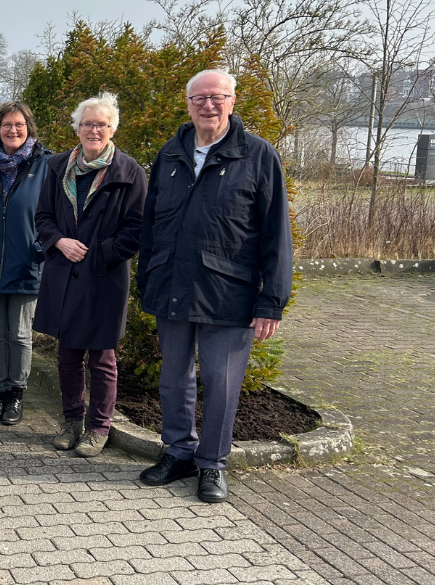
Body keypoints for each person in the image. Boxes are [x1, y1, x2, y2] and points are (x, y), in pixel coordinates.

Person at [137, 69, 292, 502]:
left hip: (230, 292)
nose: (208, 105)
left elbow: (276, 234)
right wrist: (146, 277)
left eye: (217, 97)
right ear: (188, 104)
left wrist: (271, 301)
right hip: (170, 285)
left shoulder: (259, 156)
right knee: (173, 378)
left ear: (232, 100)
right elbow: (152, 224)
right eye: (199, 98)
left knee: (221, 382)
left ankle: (212, 464)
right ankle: (179, 452)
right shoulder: (170, 154)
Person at [34, 92, 146, 457]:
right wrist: (60, 242)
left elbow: (137, 229)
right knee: (67, 355)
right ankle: (72, 422)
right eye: (87, 123)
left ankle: (99, 428)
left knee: (102, 358)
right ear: (77, 128)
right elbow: (43, 218)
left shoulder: (130, 173)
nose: (94, 130)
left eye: (101, 124)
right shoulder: (56, 167)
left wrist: (98, 255)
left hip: (104, 278)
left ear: (112, 128)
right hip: (64, 273)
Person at [0, 101, 53, 426]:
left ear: (28, 127)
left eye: (19, 124)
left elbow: (56, 213)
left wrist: (40, 249)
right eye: (7, 125)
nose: (13, 130)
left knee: (19, 334)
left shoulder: (45, 164)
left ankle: (16, 395)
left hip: (26, 265)